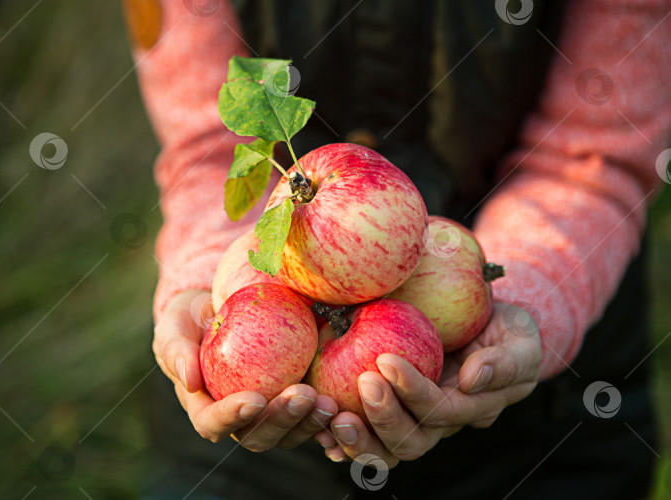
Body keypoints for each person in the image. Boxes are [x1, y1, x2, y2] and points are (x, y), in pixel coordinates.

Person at [126, 0, 671, 498]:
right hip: (250, 454)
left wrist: (528, 291)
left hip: (542, 430)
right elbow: (209, 145)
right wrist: (206, 279)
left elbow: (591, 157)